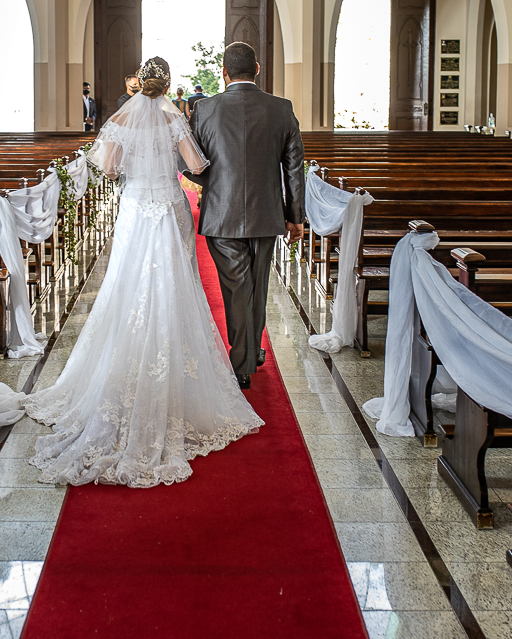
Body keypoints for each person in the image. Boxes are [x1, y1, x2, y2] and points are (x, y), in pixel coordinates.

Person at [24, 56, 263, 487]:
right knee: (176, 286)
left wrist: (136, 164)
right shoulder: (174, 117)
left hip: (136, 207)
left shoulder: (120, 117)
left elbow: (109, 167)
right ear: (167, 84)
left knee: (128, 284)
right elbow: (195, 166)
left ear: (139, 81)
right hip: (170, 207)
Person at [182, 42, 305, 389]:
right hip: (267, 214)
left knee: (237, 288)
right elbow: (295, 167)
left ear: (224, 72)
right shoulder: (281, 108)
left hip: (221, 214)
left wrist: (217, 182)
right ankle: (251, 353)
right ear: (258, 68)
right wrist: (295, 216)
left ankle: (243, 363)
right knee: (257, 285)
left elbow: (190, 164)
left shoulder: (205, 109)